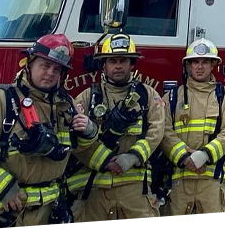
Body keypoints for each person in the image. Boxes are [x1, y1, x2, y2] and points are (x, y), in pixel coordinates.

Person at [0, 34, 91, 229]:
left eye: (57, 69)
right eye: (44, 66)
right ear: (28, 64)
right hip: (2, 212)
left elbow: (74, 149)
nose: (50, 73)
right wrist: (4, 188)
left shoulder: (65, 105)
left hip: (47, 211)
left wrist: (89, 131)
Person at [69, 33, 166, 222]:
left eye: (123, 60)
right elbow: (74, 140)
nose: (118, 66)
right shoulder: (87, 97)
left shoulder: (147, 95)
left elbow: (156, 132)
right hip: (94, 189)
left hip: (135, 189)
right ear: (104, 65)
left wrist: (133, 157)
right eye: (112, 61)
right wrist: (105, 160)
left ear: (132, 64)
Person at [157, 38, 225, 215]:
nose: (200, 66)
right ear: (188, 66)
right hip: (180, 180)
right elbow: (163, 132)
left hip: (212, 181)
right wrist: (184, 156)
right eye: (195, 62)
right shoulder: (172, 98)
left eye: (205, 62)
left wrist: (205, 155)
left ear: (213, 66)